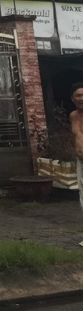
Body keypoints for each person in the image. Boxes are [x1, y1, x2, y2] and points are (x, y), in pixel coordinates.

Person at [70, 83, 83, 234]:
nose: (81, 98)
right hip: (81, 162)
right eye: (78, 95)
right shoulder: (73, 116)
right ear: (72, 99)